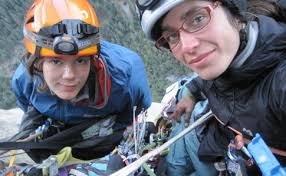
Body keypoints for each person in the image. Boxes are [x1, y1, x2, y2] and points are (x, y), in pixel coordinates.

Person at [136, 0, 286, 175]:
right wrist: (191, 94)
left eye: (198, 19)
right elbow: (212, 79)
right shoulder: (226, 56)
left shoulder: (279, 84)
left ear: (235, 10)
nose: (187, 47)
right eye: (172, 36)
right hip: (220, 143)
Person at [10, 0, 152, 168]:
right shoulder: (24, 80)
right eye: (56, 62)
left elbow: (138, 110)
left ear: (92, 59)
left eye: (81, 60)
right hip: (57, 125)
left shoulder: (126, 76)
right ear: (38, 62)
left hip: (105, 128)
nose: (69, 76)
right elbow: (28, 107)